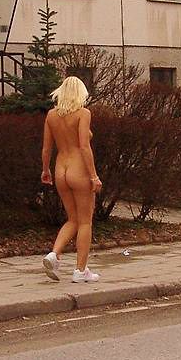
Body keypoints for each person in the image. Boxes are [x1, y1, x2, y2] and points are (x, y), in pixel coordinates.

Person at [40, 76, 103, 283]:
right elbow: (84, 146)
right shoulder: (83, 113)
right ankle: (80, 270)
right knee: (85, 221)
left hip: (61, 170)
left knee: (72, 219)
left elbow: (47, 148)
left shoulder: (51, 115)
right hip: (79, 170)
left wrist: (45, 170)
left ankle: (54, 254)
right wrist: (94, 176)